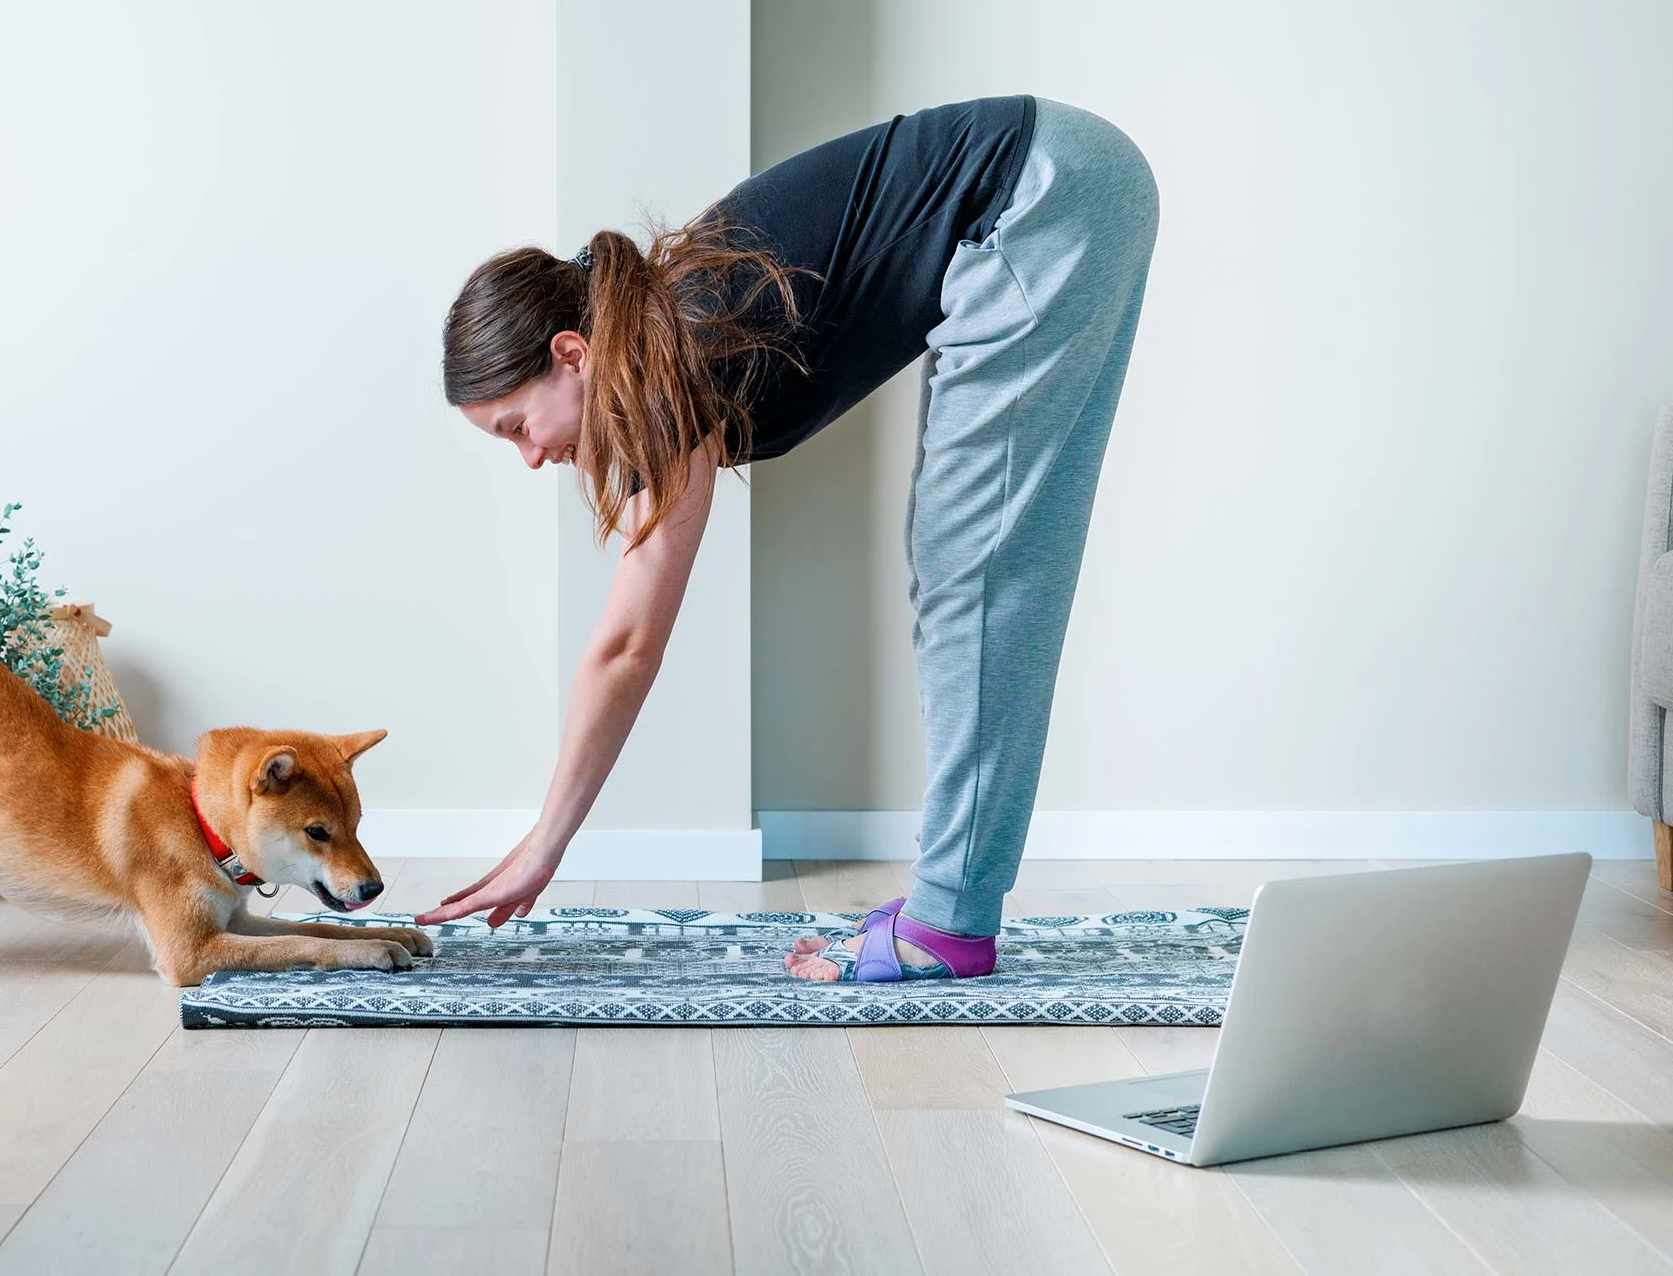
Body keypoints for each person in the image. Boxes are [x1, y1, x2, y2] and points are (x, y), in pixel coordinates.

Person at [415, 97, 1159, 982]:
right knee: (967, 565)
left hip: (1040, 194)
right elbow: (630, 634)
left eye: (515, 427)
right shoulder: (661, 339)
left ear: (571, 355)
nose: (533, 457)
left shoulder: (672, 355)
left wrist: (544, 845)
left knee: (979, 572)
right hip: (1054, 182)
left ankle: (951, 921)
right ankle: (948, 897)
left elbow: (627, 645)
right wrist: (549, 841)